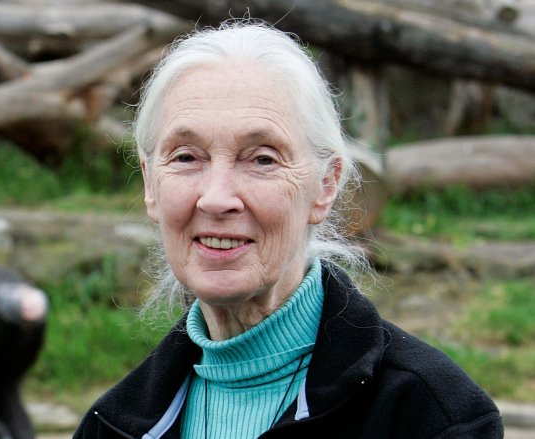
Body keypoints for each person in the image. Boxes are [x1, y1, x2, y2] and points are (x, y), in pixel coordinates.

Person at [73, 19, 503, 439]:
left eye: (262, 159)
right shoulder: (112, 424)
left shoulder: (431, 415)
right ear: (151, 184)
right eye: (186, 157)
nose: (217, 198)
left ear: (325, 186)